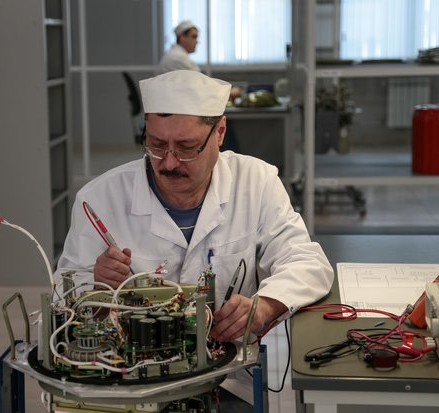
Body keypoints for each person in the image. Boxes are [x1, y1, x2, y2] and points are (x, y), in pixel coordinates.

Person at [55, 70, 334, 407]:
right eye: (157, 145)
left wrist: (264, 306)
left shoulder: (256, 182)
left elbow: (307, 262)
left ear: (220, 132)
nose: (169, 163)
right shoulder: (100, 199)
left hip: (227, 376)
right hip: (129, 381)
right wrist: (97, 287)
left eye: (187, 148)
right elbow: (63, 295)